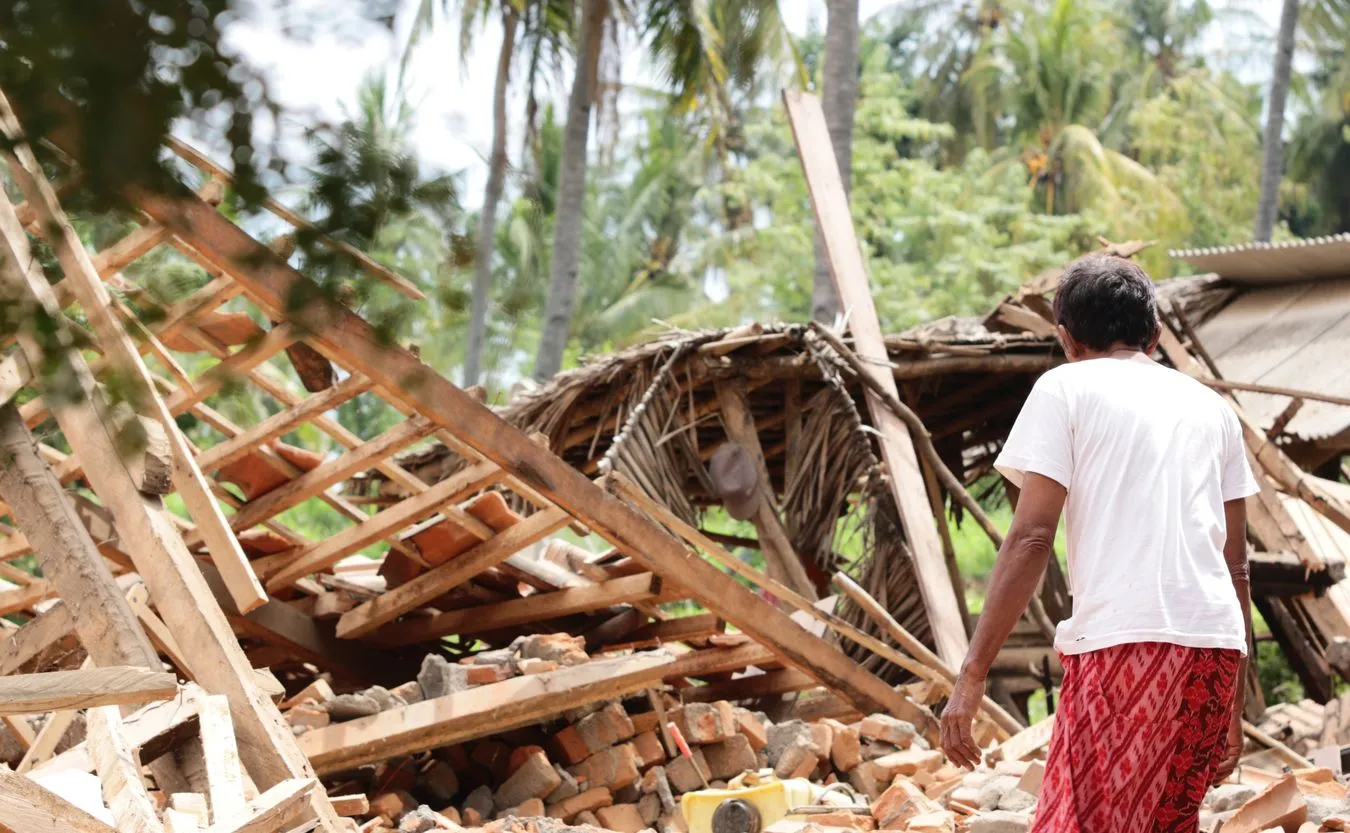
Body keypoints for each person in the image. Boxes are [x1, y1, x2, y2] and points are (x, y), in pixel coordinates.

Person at [938, 256, 1259, 833]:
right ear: (1155, 336)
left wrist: (972, 673)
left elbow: (1033, 534)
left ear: (1065, 338)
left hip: (1122, 647)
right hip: (1212, 650)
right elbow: (1237, 566)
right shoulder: (1214, 410)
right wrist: (1234, 691)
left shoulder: (1064, 387)